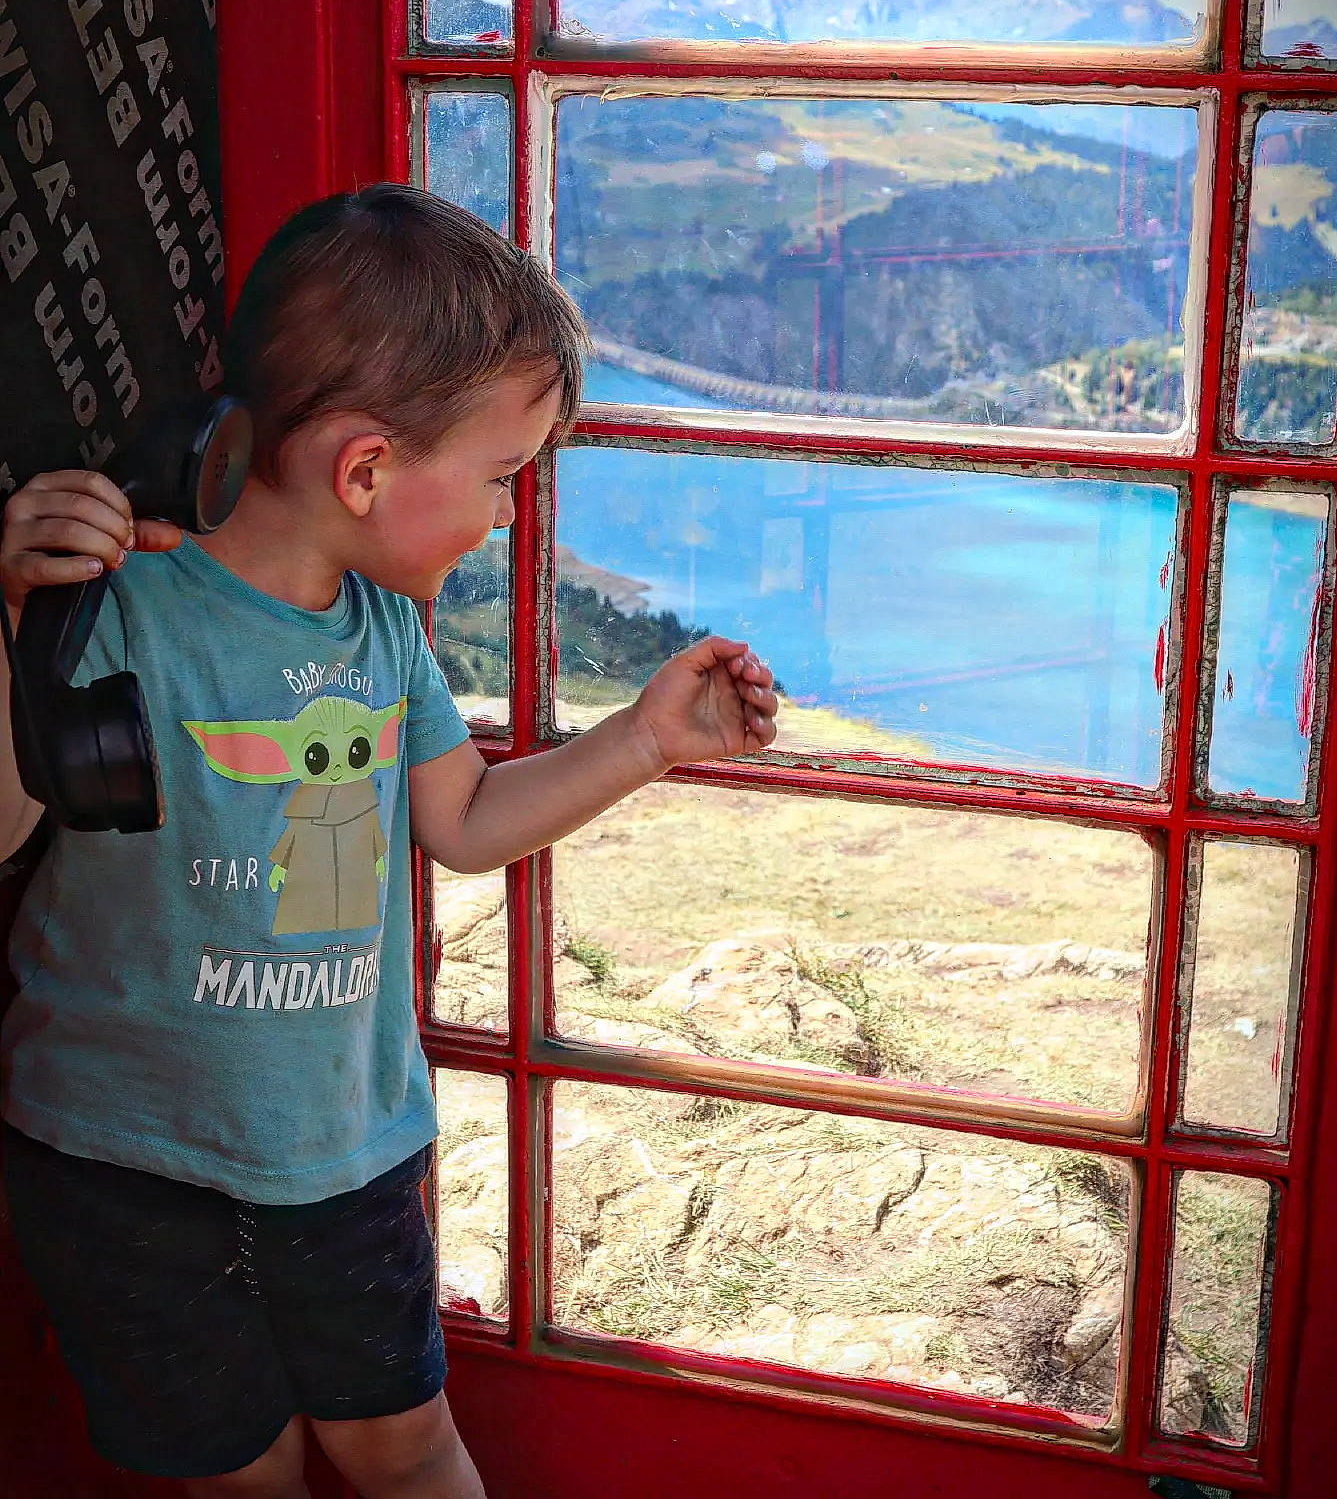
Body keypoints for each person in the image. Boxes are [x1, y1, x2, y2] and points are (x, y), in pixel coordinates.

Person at [0, 185, 778, 1499]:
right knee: (238, 1480)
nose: (510, 517)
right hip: (126, 1167)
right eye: (500, 478)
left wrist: (643, 743)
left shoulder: (381, 634)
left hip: (345, 1152)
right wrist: (10, 607)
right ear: (366, 472)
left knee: (408, 1447)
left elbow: (464, 819)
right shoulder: (122, 607)